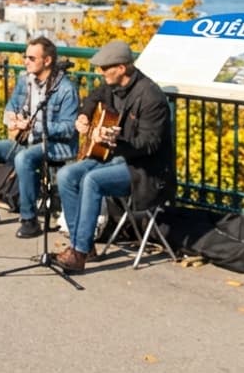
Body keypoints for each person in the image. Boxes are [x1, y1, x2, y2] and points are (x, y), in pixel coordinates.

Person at [52, 39, 175, 272]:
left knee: (92, 180)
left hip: (145, 170)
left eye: (105, 68)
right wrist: (85, 116)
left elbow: (149, 145)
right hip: (115, 157)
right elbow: (92, 99)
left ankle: (79, 253)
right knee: (67, 174)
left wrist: (115, 140)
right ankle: (84, 244)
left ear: (121, 68)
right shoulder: (111, 86)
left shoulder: (151, 97)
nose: (101, 72)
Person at [0, 37, 79, 238]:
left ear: (48, 61)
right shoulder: (24, 81)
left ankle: (29, 219)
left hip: (56, 145)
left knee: (23, 159)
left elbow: (69, 128)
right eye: (25, 57)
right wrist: (12, 119)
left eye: (32, 58)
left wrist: (36, 127)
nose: (26, 61)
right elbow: (10, 108)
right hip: (27, 141)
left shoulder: (65, 89)